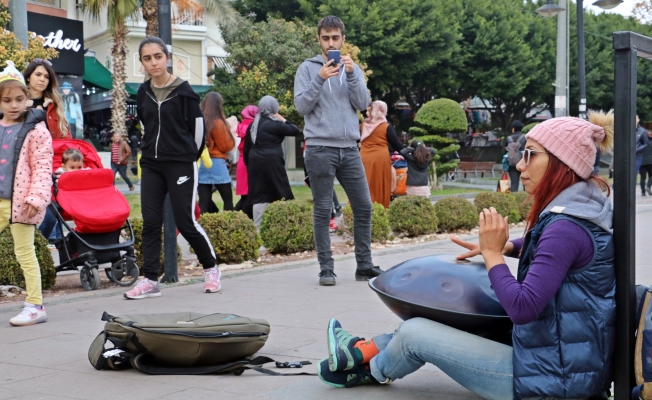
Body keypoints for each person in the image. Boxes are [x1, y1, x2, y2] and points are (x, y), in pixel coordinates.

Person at [316, 111, 615, 400]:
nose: (520, 165)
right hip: (559, 362)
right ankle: (361, 350)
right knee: (450, 310)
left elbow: (523, 308)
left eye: (530, 154)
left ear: (562, 163)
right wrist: (509, 247)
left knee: (415, 334)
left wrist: (493, 254)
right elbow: (556, 250)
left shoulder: (565, 227)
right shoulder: (582, 206)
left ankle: (368, 369)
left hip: (551, 381)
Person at [126, 36, 220, 299]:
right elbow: (144, 124)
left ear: (167, 58)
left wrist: (189, 156)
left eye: (158, 56)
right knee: (151, 222)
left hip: (180, 164)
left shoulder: (184, 92)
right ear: (142, 62)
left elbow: (198, 130)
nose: (153, 62)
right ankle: (150, 279)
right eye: (147, 58)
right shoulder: (143, 92)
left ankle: (211, 268)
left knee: (185, 221)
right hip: (152, 164)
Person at [294, 15, 382, 286]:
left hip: (350, 148)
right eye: (326, 38)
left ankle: (364, 266)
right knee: (323, 210)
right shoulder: (307, 69)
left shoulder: (352, 69)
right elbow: (301, 106)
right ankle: (326, 269)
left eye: (335, 38)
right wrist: (319, 79)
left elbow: (363, 103)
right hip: (320, 147)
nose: (330, 43)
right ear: (318, 40)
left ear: (343, 39)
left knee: (364, 206)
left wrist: (353, 74)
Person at [0, 61, 54, 326]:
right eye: (6, 100)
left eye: (19, 99)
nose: (13, 105)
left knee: (25, 253)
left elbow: (42, 167)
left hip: (21, 203)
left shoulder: (36, 130)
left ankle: (35, 305)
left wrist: (36, 198)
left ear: (27, 98)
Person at [244, 96, 300, 228]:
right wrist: (282, 118)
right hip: (273, 161)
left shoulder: (253, 125)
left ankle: (258, 227)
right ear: (274, 108)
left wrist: (249, 165)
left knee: (258, 194)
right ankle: (287, 224)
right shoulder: (275, 124)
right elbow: (294, 130)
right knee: (281, 190)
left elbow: (247, 148)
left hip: (255, 162)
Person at [360, 100, 403, 208]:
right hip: (380, 159)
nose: (366, 113)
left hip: (363, 158)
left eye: (369, 111)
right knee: (379, 185)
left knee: (363, 185)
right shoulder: (385, 126)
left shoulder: (363, 125)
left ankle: (358, 210)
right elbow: (397, 145)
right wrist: (410, 153)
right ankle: (380, 209)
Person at [198, 92, 235, 214]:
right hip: (216, 162)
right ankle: (228, 223)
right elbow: (225, 146)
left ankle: (202, 224)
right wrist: (232, 138)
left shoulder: (199, 120)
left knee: (204, 201)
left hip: (202, 162)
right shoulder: (218, 122)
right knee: (227, 199)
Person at [39, 148, 85, 242]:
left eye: (79, 167)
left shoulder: (84, 173)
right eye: (72, 167)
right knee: (51, 218)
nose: (76, 170)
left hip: (79, 201)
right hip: (61, 202)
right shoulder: (60, 175)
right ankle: (44, 240)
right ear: (64, 167)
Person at [23, 58, 68, 139]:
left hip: (53, 146)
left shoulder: (55, 104)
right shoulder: (19, 103)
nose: (42, 79)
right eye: (38, 74)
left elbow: (66, 135)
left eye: (47, 77)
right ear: (28, 77)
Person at [234, 105, 258, 218]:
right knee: (251, 194)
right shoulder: (254, 126)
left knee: (245, 195)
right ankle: (239, 217)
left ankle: (236, 215)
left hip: (241, 160)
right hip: (250, 161)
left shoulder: (240, 126)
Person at [505, 120, 526, 192]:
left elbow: (505, 152)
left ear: (513, 128)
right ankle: (525, 198)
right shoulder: (524, 138)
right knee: (526, 183)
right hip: (523, 163)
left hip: (511, 164)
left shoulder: (508, 139)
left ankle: (514, 197)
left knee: (514, 183)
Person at [641, 129, 652, 196]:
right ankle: (648, 186)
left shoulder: (640, 143)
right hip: (650, 161)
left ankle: (643, 192)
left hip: (641, 162)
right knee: (651, 175)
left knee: (643, 177)